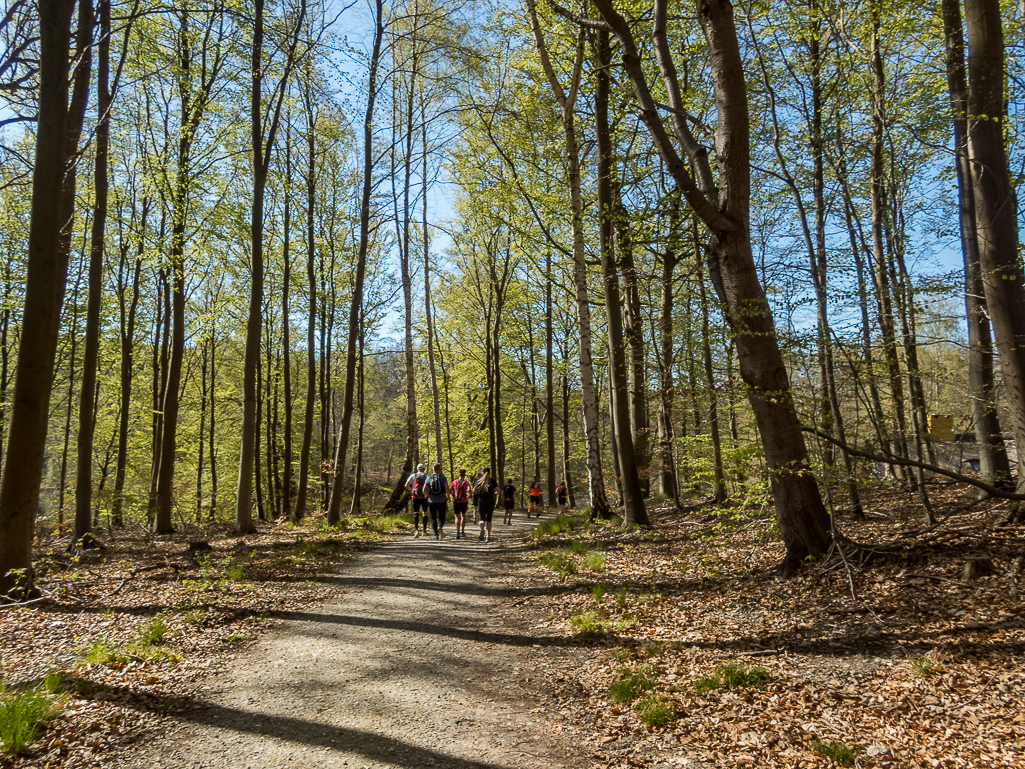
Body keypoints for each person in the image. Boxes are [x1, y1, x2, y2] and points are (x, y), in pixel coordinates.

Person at [425, 462, 450, 540]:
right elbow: (446, 487)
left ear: (433, 469)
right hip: (442, 500)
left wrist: (426, 495)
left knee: (433, 518)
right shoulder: (443, 477)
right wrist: (448, 496)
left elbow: (424, 489)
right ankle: (440, 527)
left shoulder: (429, 477)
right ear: (439, 469)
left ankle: (436, 534)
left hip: (431, 501)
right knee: (442, 517)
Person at [475, 467, 499, 543]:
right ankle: (487, 536)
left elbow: (474, 490)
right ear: (490, 472)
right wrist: (494, 493)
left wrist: (479, 493)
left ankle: (482, 529)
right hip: (490, 501)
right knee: (489, 519)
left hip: (481, 501)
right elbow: (498, 490)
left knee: (482, 518)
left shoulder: (479, 481)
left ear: (483, 472)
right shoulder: (492, 481)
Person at [405, 463, 430, 537]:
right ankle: (424, 531)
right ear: (423, 469)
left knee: (416, 513)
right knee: (425, 513)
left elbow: (406, 485)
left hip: (415, 497)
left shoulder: (413, 475)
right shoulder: (427, 476)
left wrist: (412, 490)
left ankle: (416, 530)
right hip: (425, 497)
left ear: (417, 469)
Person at [451, 468, 472, 539]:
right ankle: (462, 531)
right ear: (464, 475)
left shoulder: (454, 482)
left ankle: (457, 532)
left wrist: (453, 495)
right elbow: (469, 490)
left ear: (458, 474)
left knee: (457, 517)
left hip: (456, 501)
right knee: (463, 515)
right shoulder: (466, 483)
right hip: (464, 501)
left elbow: (450, 490)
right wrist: (470, 496)